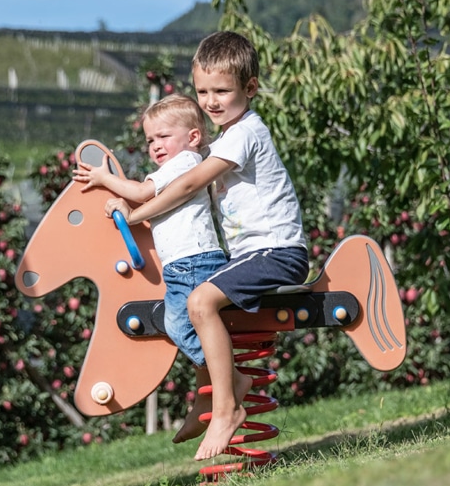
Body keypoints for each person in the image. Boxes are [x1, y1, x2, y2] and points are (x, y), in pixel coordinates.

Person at [106, 30, 308, 461]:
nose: (211, 101)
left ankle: (227, 405)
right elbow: (182, 173)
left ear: (249, 88)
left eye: (222, 90)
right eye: (203, 91)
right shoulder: (225, 137)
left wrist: (136, 216)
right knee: (188, 310)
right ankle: (215, 394)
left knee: (199, 304)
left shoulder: (244, 133)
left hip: (277, 252)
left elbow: (191, 182)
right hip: (253, 255)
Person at [72, 94, 228, 443]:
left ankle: (229, 380)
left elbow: (143, 193)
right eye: (150, 140)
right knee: (185, 328)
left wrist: (103, 178)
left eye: (163, 136)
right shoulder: (178, 165)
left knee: (175, 323)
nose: (155, 146)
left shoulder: (185, 162)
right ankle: (213, 393)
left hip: (193, 263)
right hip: (185, 265)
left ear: (192, 138)